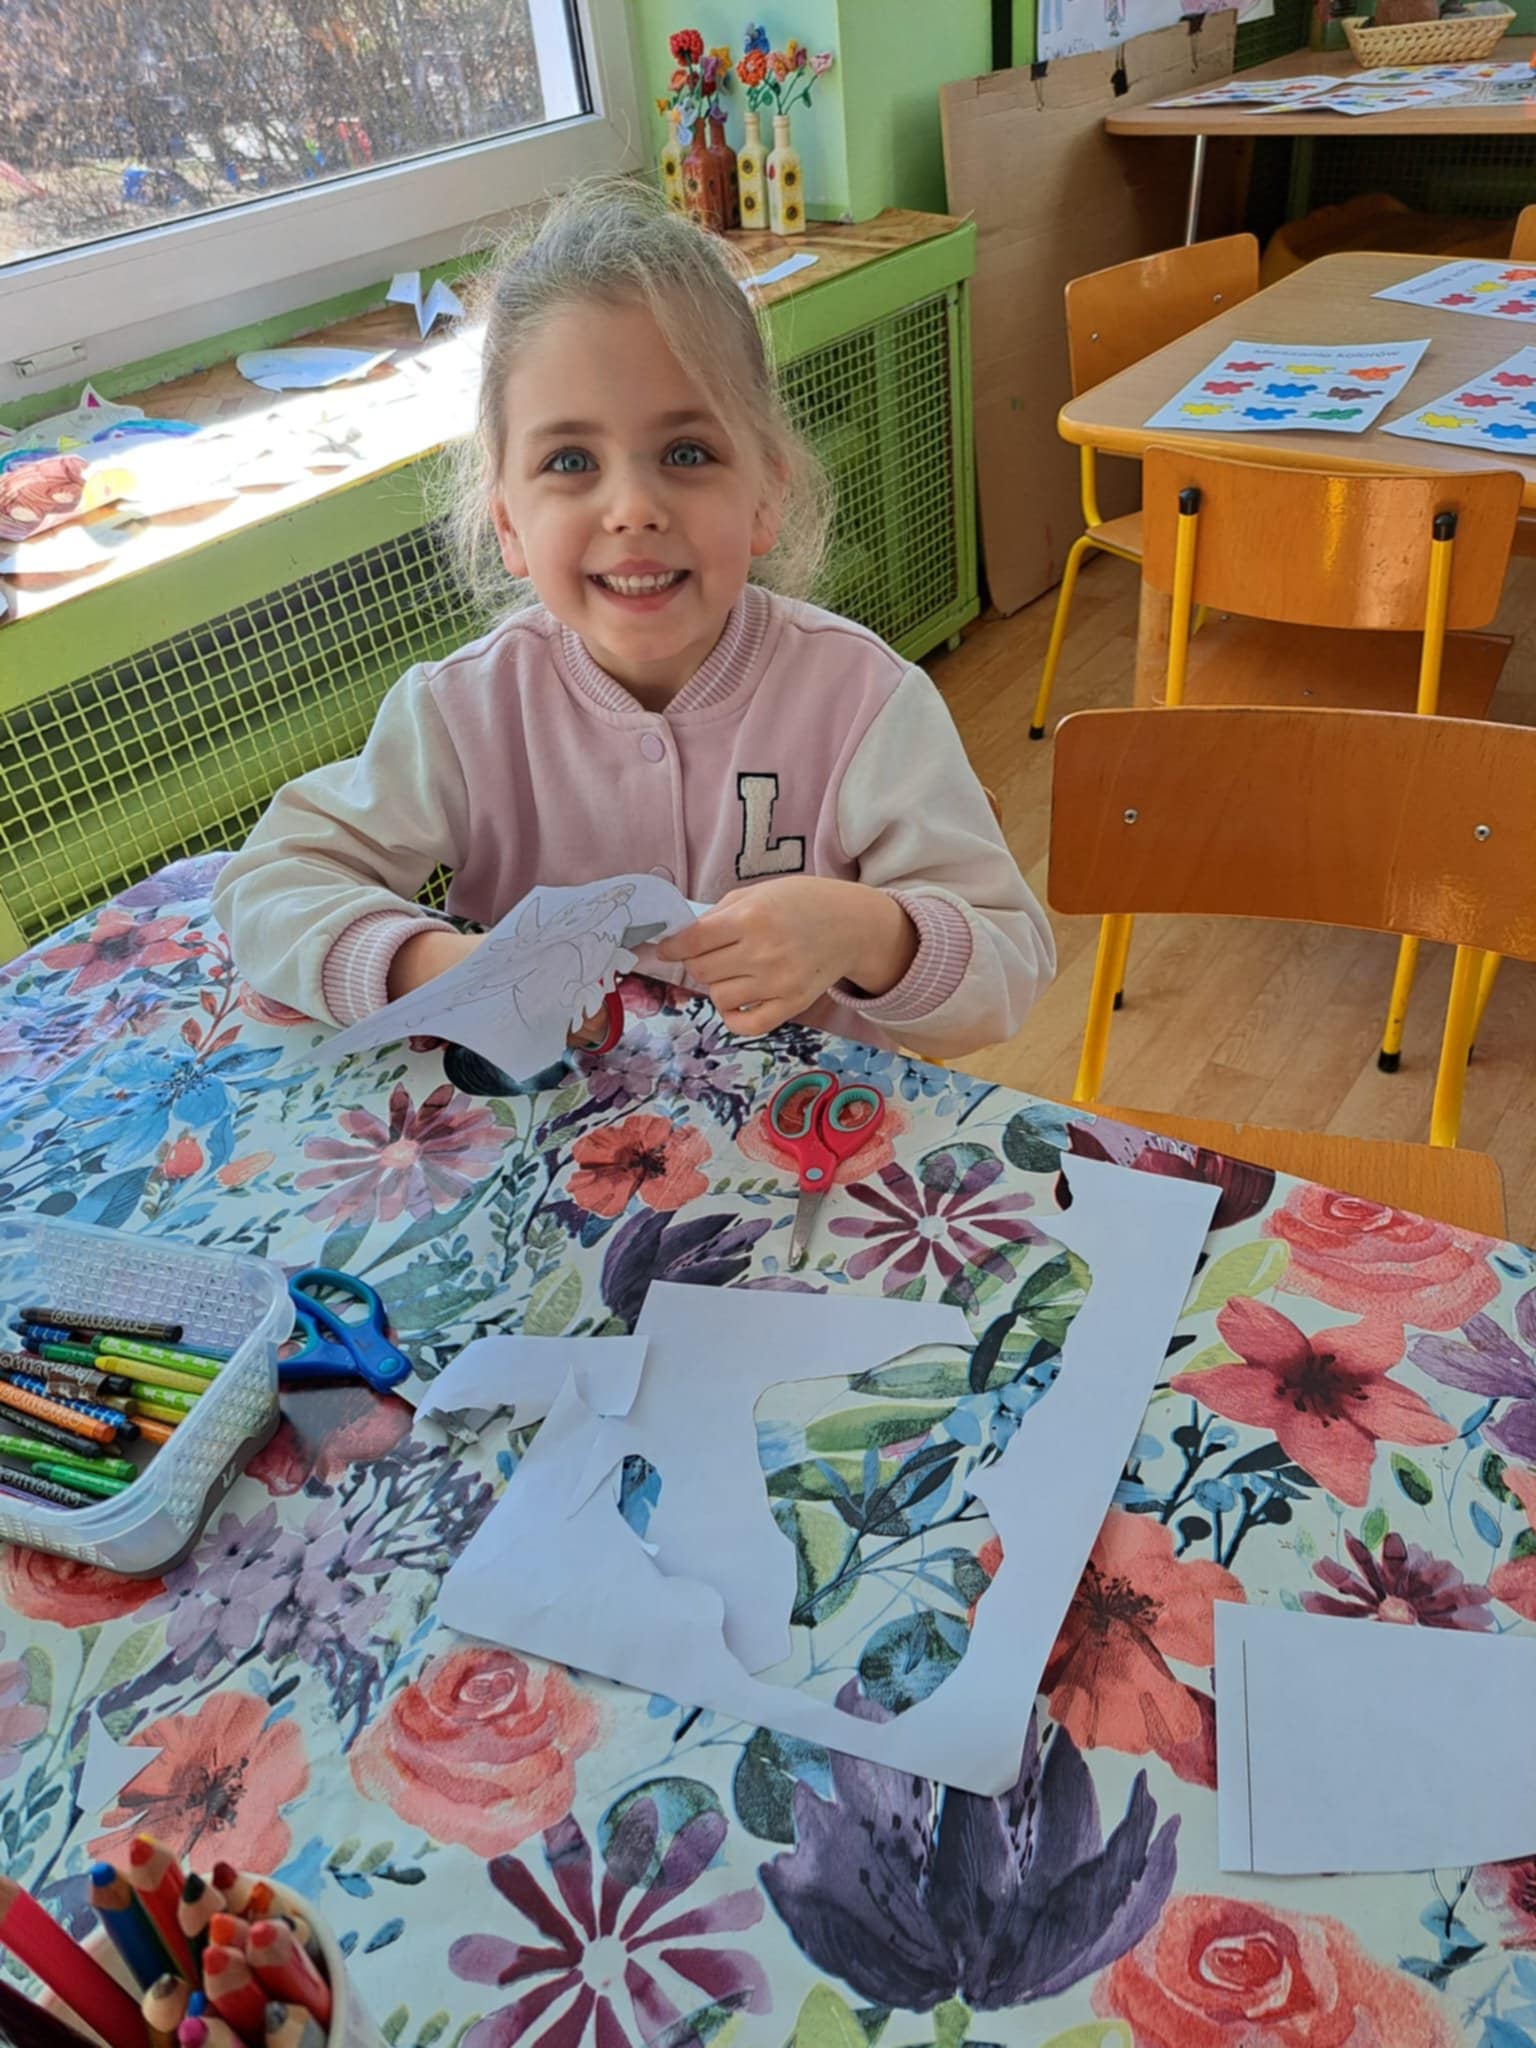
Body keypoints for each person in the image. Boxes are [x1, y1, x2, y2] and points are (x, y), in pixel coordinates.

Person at [214, 179, 1054, 1060]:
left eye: (687, 452)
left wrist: (868, 933)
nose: (633, 509)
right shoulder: (466, 711)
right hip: (537, 1135)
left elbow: (1009, 967)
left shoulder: (862, 701)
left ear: (765, 495)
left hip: (804, 1131)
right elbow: (270, 884)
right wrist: (444, 968)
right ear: (508, 523)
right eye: (570, 460)